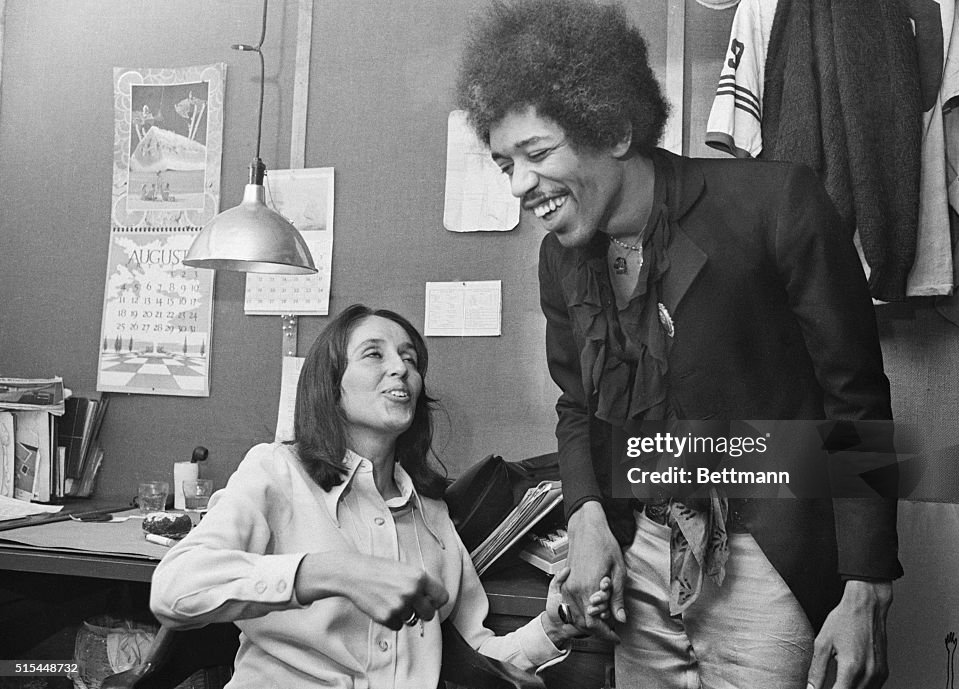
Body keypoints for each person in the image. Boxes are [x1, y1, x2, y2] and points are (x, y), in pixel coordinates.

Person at [455, 2, 901, 688]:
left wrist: (866, 583)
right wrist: (586, 513)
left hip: (768, 554)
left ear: (616, 127)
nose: (518, 186)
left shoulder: (778, 201)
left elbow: (858, 401)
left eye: (537, 154)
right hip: (644, 554)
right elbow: (578, 405)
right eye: (503, 162)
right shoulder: (560, 261)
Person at [150, 304, 586, 688]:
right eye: (374, 354)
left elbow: (474, 655)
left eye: (410, 359)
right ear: (330, 383)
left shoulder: (432, 514)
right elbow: (174, 590)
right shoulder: (276, 471)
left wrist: (553, 628)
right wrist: (335, 572)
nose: (401, 368)